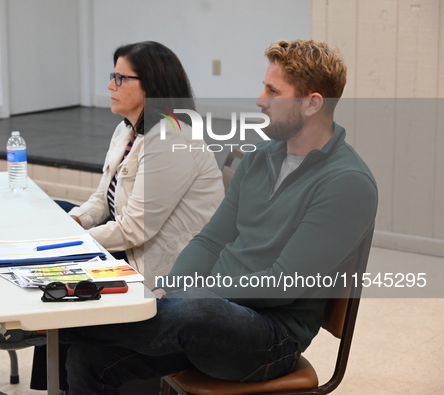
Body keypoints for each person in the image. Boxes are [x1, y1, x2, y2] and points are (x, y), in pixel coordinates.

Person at [59, 39, 379, 394]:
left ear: (312, 103)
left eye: (273, 91)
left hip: (273, 336)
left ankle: (54, 322)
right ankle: (66, 321)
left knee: (196, 310)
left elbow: (283, 283)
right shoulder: (261, 157)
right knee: (88, 357)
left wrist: (190, 296)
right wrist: (172, 289)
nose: (260, 99)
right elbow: (211, 239)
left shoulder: (347, 183)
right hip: (212, 315)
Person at [66, 41, 224, 288]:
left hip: (157, 268)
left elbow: (133, 230)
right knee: (57, 212)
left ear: (151, 85)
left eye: (120, 78)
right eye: (112, 76)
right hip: (131, 249)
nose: (110, 85)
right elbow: (102, 198)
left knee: (53, 263)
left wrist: (70, 240)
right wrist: (73, 222)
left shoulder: (170, 138)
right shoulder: (126, 128)